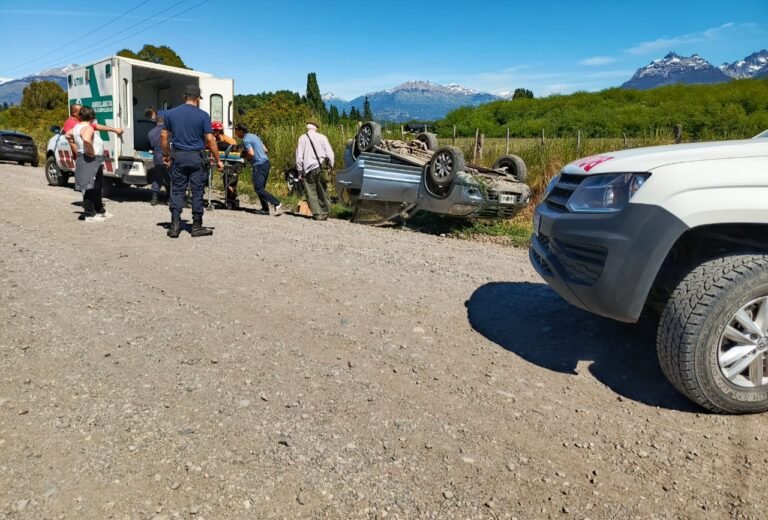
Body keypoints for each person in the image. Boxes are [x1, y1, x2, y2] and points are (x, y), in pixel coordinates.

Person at [161, 85, 223, 238]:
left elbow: (163, 136)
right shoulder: (203, 115)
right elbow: (210, 139)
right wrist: (218, 160)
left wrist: (166, 155)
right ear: (198, 99)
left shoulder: (170, 114)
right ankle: (196, 226)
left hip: (178, 158)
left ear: (184, 96)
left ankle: (175, 226)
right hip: (196, 158)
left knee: (177, 191)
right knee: (197, 192)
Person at [65, 106, 110, 222]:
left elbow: (67, 135)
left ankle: (97, 211)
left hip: (90, 159)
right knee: (90, 187)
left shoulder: (77, 127)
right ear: (92, 117)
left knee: (96, 186)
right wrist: (90, 151)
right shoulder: (87, 128)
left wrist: (74, 142)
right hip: (90, 159)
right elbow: (86, 139)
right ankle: (89, 214)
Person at [235, 123, 282, 216]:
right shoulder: (255, 136)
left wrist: (244, 158)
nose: (236, 134)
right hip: (266, 163)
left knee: (258, 189)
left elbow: (251, 154)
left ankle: (276, 202)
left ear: (241, 131)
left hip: (259, 165)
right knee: (261, 188)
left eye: (236, 132)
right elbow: (265, 150)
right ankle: (265, 209)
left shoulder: (246, 139)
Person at [295, 121, 334, 221]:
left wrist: (300, 172)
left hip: (308, 169)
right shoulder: (322, 137)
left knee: (311, 192)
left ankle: (317, 214)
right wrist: (330, 167)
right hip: (321, 168)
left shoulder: (302, 138)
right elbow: (330, 153)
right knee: (323, 190)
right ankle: (325, 212)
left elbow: (299, 157)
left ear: (307, 128)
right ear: (316, 128)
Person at [147, 114, 169, 206]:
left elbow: (150, 145)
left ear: (156, 121)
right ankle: (169, 198)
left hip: (156, 155)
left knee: (157, 177)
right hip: (167, 155)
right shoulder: (168, 131)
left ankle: (154, 198)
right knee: (170, 177)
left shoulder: (151, 132)